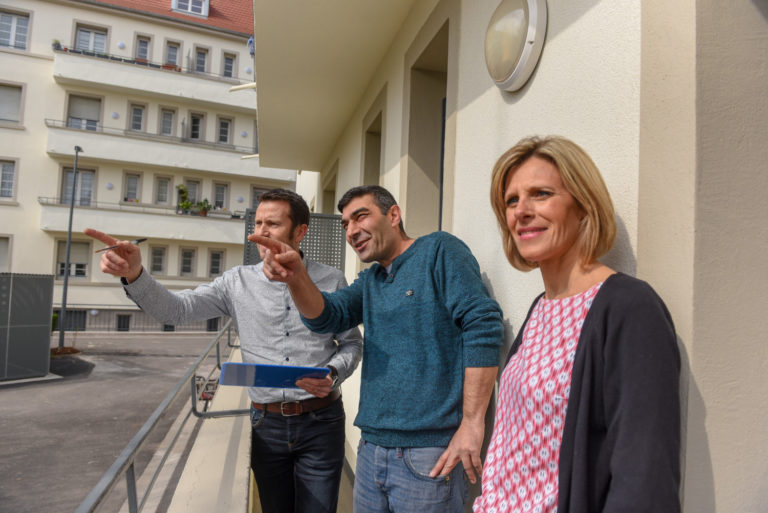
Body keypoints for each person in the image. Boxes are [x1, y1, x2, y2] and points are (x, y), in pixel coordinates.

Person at [84, 188, 362, 513]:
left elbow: (352, 342)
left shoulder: (331, 279)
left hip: (322, 421)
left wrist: (333, 373)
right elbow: (178, 310)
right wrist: (135, 275)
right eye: (257, 223)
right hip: (266, 425)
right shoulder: (236, 282)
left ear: (300, 231)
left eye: (271, 224)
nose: (260, 233)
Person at [251, 185, 505, 513]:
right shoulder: (371, 280)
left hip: (428, 453)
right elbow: (326, 316)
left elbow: (483, 324)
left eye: (361, 217)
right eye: (345, 224)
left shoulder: (438, 250)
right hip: (371, 450)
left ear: (394, 215)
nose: (352, 230)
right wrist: (296, 277)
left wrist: (472, 423)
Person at [474, 136, 681, 513]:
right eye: (512, 200)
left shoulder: (629, 308)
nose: (522, 211)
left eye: (541, 194)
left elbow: (644, 476)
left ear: (584, 207)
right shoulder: (540, 309)